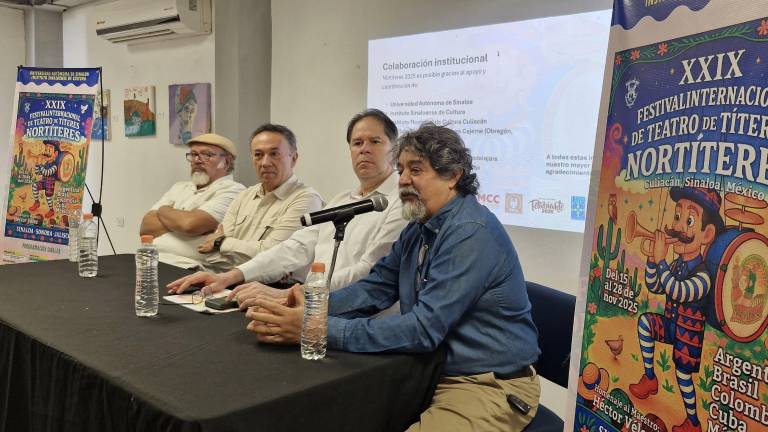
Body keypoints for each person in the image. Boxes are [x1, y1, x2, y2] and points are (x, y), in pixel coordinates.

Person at [244, 123, 541, 431]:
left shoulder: (470, 233)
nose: (403, 181)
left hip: (485, 383)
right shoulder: (419, 226)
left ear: (453, 176)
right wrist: (315, 303)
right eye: (400, 170)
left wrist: (317, 328)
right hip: (426, 370)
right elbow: (377, 287)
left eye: (416, 170)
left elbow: (424, 329)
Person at [168, 109, 407, 304]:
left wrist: (292, 293)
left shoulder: (402, 203)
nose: (364, 149)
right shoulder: (341, 200)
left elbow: (370, 271)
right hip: (313, 304)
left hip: (359, 316)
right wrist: (229, 277)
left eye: (374, 141)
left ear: (394, 149)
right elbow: (294, 247)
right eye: (357, 143)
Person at [629, 186, 722, 432]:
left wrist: (660, 261)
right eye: (677, 217)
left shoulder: (703, 276)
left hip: (688, 334)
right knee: (645, 323)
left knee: (683, 376)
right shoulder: (676, 263)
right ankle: (650, 378)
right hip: (671, 325)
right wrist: (652, 261)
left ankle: (692, 422)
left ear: (707, 233)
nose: (679, 227)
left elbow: (677, 290)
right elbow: (656, 286)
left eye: (689, 220)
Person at [197, 124, 323, 272]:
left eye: (274, 154)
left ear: (293, 158)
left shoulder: (306, 200)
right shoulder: (244, 195)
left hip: (272, 288)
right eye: (258, 155)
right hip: (225, 278)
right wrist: (223, 244)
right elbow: (214, 256)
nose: (265, 163)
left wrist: (221, 243)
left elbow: (273, 258)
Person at [140, 133, 245, 269]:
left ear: (227, 161)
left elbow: (189, 225)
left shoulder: (234, 191)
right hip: (152, 262)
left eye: (206, 155)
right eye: (193, 154)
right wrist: (182, 223)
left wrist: (163, 210)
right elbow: (146, 227)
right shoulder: (180, 187)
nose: (197, 160)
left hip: (192, 269)